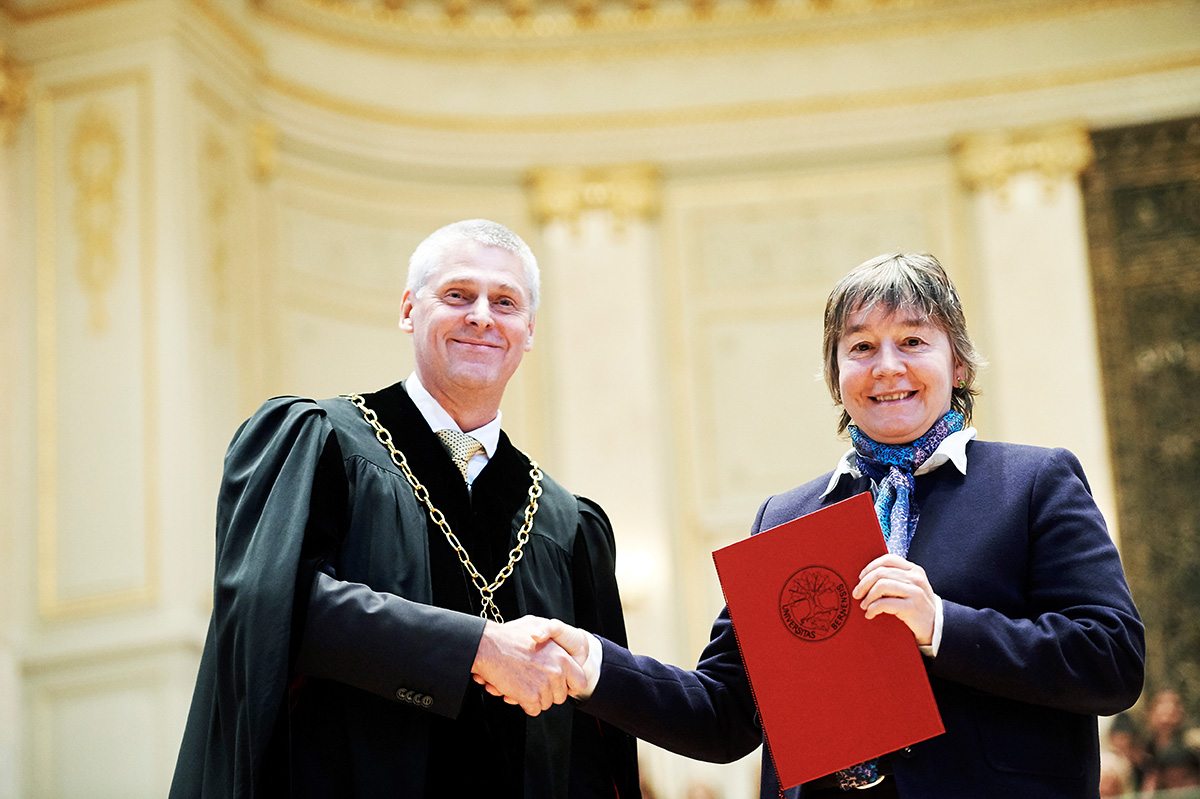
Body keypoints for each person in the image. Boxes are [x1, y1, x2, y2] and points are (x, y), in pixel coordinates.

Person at [508, 252, 1146, 798]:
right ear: (837, 379)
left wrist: (940, 626)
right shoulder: (786, 518)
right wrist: (592, 664)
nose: (887, 366)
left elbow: (1112, 659)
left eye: (913, 341)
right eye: (861, 347)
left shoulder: (1032, 484)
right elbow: (726, 712)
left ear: (960, 364)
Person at [169, 219, 640, 799]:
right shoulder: (322, 444)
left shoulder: (565, 525)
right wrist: (475, 647)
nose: (482, 317)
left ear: (529, 330)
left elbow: (591, 751)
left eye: (506, 302)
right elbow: (272, 609)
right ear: (408, 310)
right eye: (458, 295)